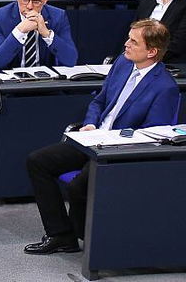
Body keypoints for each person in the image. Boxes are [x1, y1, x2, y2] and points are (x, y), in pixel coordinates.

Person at [25, 19, 179, 254]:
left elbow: (151, 136)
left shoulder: (165, 88)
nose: (126, 44)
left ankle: (92, 242)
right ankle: (61, 235)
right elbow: (99, 101)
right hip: (92, 139)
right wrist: (89, 124)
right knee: (37, 161)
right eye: (128, 37)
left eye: (133, 41)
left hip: (116, 151)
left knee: (79, 186)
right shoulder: (123, 63)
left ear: (152, 52)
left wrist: (111, 140)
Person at [0, 0, 77, 70]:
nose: (30, 6)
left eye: (36, 1)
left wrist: (47, 34)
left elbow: (71, 60)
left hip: (42, 80)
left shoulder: (58, 17)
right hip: (8, 80)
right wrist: (20, 30)